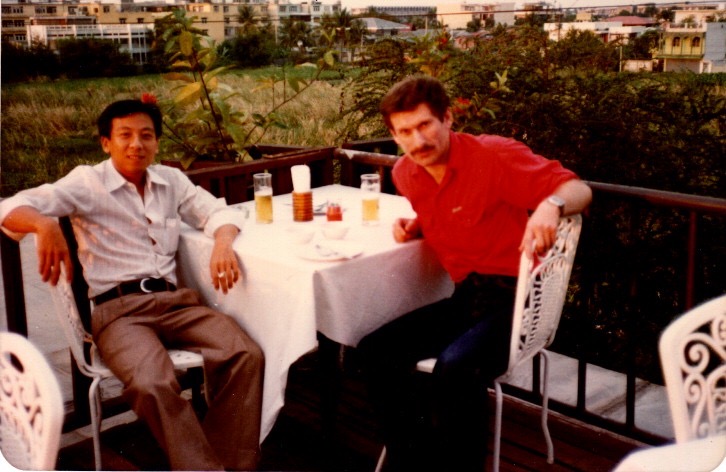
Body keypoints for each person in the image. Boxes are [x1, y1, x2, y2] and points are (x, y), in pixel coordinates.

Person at [0, 98, 264, 471]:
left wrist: (223, 241)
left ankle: (230, 462)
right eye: (125, 135)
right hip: (120, 313)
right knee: (152, 383)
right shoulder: (87, 182)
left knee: (245, 354)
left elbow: (217, 212)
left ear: (156, 142)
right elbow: (11, 206)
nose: (136, 144)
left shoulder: (171, 180)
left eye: (146, 135)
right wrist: (44, 225)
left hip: (176, 304)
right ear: (106, 142)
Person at [357, 75, 592, 471]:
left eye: (425, 125)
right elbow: (446, 208)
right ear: (394, 136)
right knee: (374, 352)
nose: (418, 140)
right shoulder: (405, 174)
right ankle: (411, 459)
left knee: (456, 368)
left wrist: (550, 205)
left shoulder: (493, 155)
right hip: (467, 296)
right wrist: (419, 226)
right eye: (405, 132)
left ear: (447, 118)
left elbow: (579, 190)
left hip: (521, 299)